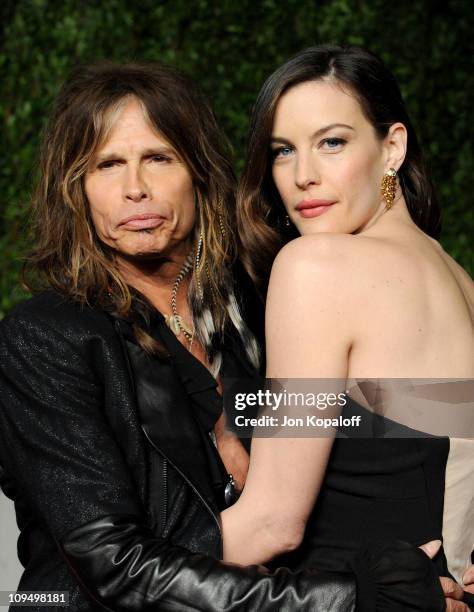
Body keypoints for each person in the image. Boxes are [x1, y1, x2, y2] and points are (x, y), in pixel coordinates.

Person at [0, 61, 448, 612]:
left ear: (199, 172)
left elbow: (411, 426)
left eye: (158, 159)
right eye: (106, 165)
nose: (134, 189)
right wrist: (347, 599)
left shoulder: (256, 303)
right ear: (76, 191)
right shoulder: (44, 338)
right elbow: (111, 566)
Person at [223, 44, 474, 609]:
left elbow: (272, 525)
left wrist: (117, 563)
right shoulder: (460, 283)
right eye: (282, 151)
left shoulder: (317, 269)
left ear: (393, 147)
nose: (302, 176)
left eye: (331, 142)